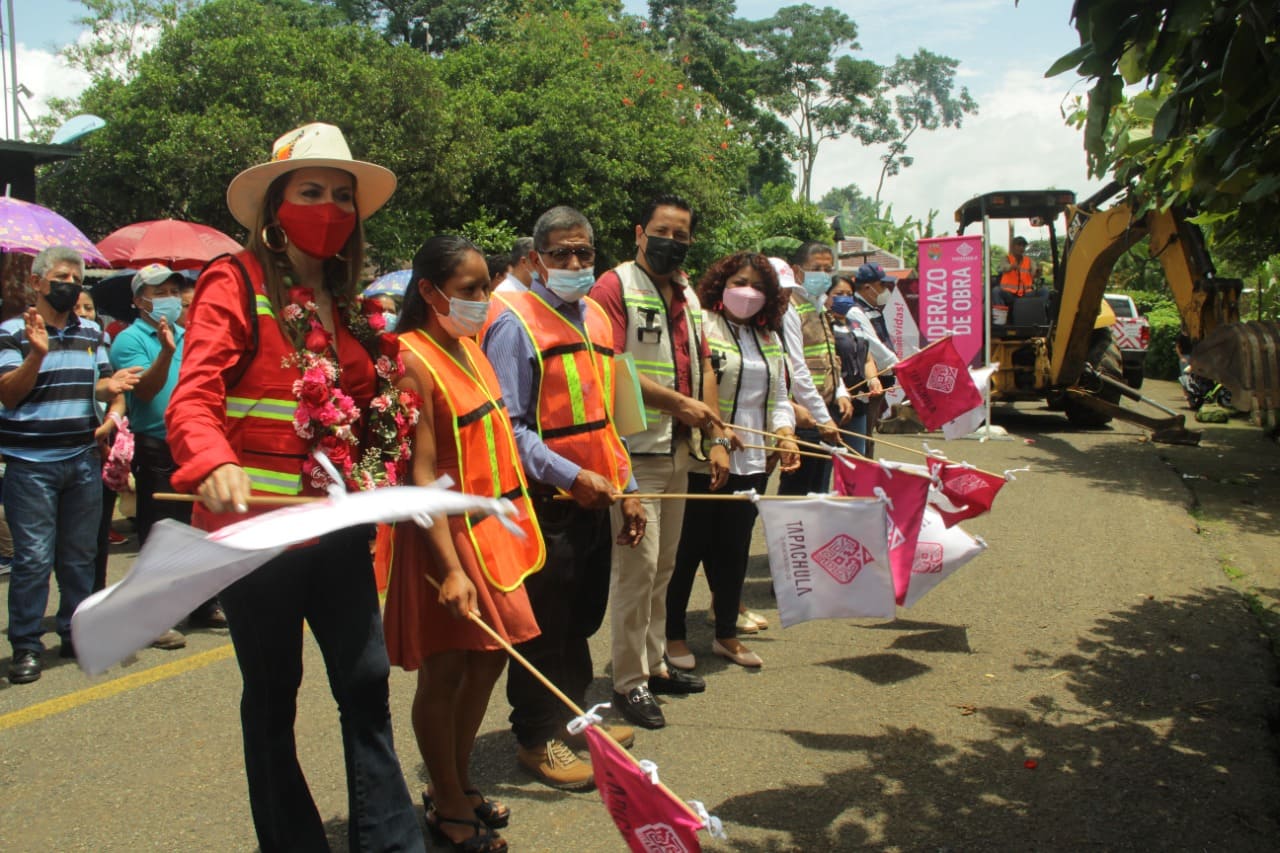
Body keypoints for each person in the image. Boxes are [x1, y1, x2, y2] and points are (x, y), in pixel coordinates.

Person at [166, 122, 425, 851]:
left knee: (366, 683)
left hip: (338, 524)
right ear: (275, 206)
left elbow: (372, 410)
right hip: (259, 531)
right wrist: (209, 458)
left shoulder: (354, 305)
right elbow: (194, 395)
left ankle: (389, 840)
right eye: (312, 191)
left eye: (343, 195)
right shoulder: (235, 281)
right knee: (274, 696)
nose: (331, 206)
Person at [385, 235, 544, 853]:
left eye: (486, 286)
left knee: (491, 658)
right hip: (444, 540)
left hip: (491, 534)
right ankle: (447, 799)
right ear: (428, 292)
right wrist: (449, 570)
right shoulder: (410, 357)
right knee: (447, 668)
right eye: (470, 289)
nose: (483, 300)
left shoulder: (471, 347)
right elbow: (420, 474)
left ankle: (457, 781)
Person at [484, 205, 646, 789]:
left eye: (584, 253)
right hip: (546, 505)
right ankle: (536, 736)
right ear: (535, 260)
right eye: (561, 254)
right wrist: (571, 476)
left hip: (595, 503)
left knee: (580, 619)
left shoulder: (598, 318)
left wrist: (627, 489)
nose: (574, 264)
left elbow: (609, 420)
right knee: (544, 626)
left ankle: (573, 718)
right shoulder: (512, 320)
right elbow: (511, 426)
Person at [590, 194, 736, 730]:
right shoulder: (614, 286)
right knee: (637, 570)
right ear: (639, 231)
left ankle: (654, 666)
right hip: (633, 452)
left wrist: (715, 434)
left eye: (681, 233)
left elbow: (705, 368)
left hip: (680, 449)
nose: (671, 241)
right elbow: (607, 368)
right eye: (662, 230)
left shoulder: (688, 293)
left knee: (664, 568)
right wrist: (679, 405)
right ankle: (628, 683)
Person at [0, 246, 142, 684]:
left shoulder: (91, 333)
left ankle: (74, 631)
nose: (70, 285)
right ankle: (26, 644)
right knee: (34, 559)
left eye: (77, 278)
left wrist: (112, 394)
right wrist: (36, 355)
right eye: (61, 276)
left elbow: (97, 386)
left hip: (80, 459)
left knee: (80, 555)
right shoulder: (12, 332)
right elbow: (8, 394)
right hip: (30, 465)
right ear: (38, 282)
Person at [666, 252, 799, 671]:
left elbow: (778, 397)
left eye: (759, 287)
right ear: (721, 284)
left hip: (753, 463)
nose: (749, 293)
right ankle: (672, 636)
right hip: (704, 457)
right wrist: (715, 435)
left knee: (734, 552)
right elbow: (688, 385)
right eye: (740, 282)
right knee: (687, 550)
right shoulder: (701, 324)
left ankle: (726, 634)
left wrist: (785, 432)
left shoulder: (770, 338)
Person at [111, 263, 225, 636]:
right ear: (138, 300)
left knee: (198, 527)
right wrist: (164, 352)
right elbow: (143, 391)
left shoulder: (188, 333)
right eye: (159, 292)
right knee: (162, 531)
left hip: (192, 444)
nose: (169, 300)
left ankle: (202, 604)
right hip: (157, 446)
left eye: (173, 292)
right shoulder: (130, 339)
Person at [779, 241, 853, 495]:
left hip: (825, 411)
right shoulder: (791, 306)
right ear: (797, 271)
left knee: (820, 489)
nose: (823, 275)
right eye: (817, 268)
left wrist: (841, 392)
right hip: (806, 416)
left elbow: (830, 355)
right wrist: (822, 418)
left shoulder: (819, 305)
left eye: (828, 269)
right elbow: (798, 370)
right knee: (799, 491)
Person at [826, 274, 883, 457]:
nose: (844, 298)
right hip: (831, 404)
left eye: (848, 294)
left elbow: (866, 358)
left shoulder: (856, 324)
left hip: (858, 401)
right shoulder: (822, 324)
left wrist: (873, 379)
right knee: (827, 458)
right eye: (838, 293)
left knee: (857, 460)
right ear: (826, 295)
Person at [849, 263, 900, 458]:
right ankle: (862, 479)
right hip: (870, 381)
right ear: (868, 287)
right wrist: (897, 365)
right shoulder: (856, 311)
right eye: (882, 285)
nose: (886, 290)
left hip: (881, 379)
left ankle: (866, 476)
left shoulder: (872, 308)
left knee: (868, 434)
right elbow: (873, 345)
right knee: (864, 436)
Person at [995, 236, 1035, 304]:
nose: (1021, 248)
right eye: (1019, 245)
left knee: (1044, 291)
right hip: (1009, 293)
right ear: (1013, 247)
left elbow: (1034, 272)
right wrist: (1011, 266)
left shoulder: (1029, 261)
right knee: (996, 291)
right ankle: (1001, 314)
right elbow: (1003, 268)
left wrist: (1037, 272)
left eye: (1023, 246)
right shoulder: (1006, 258)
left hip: (1026, 293)